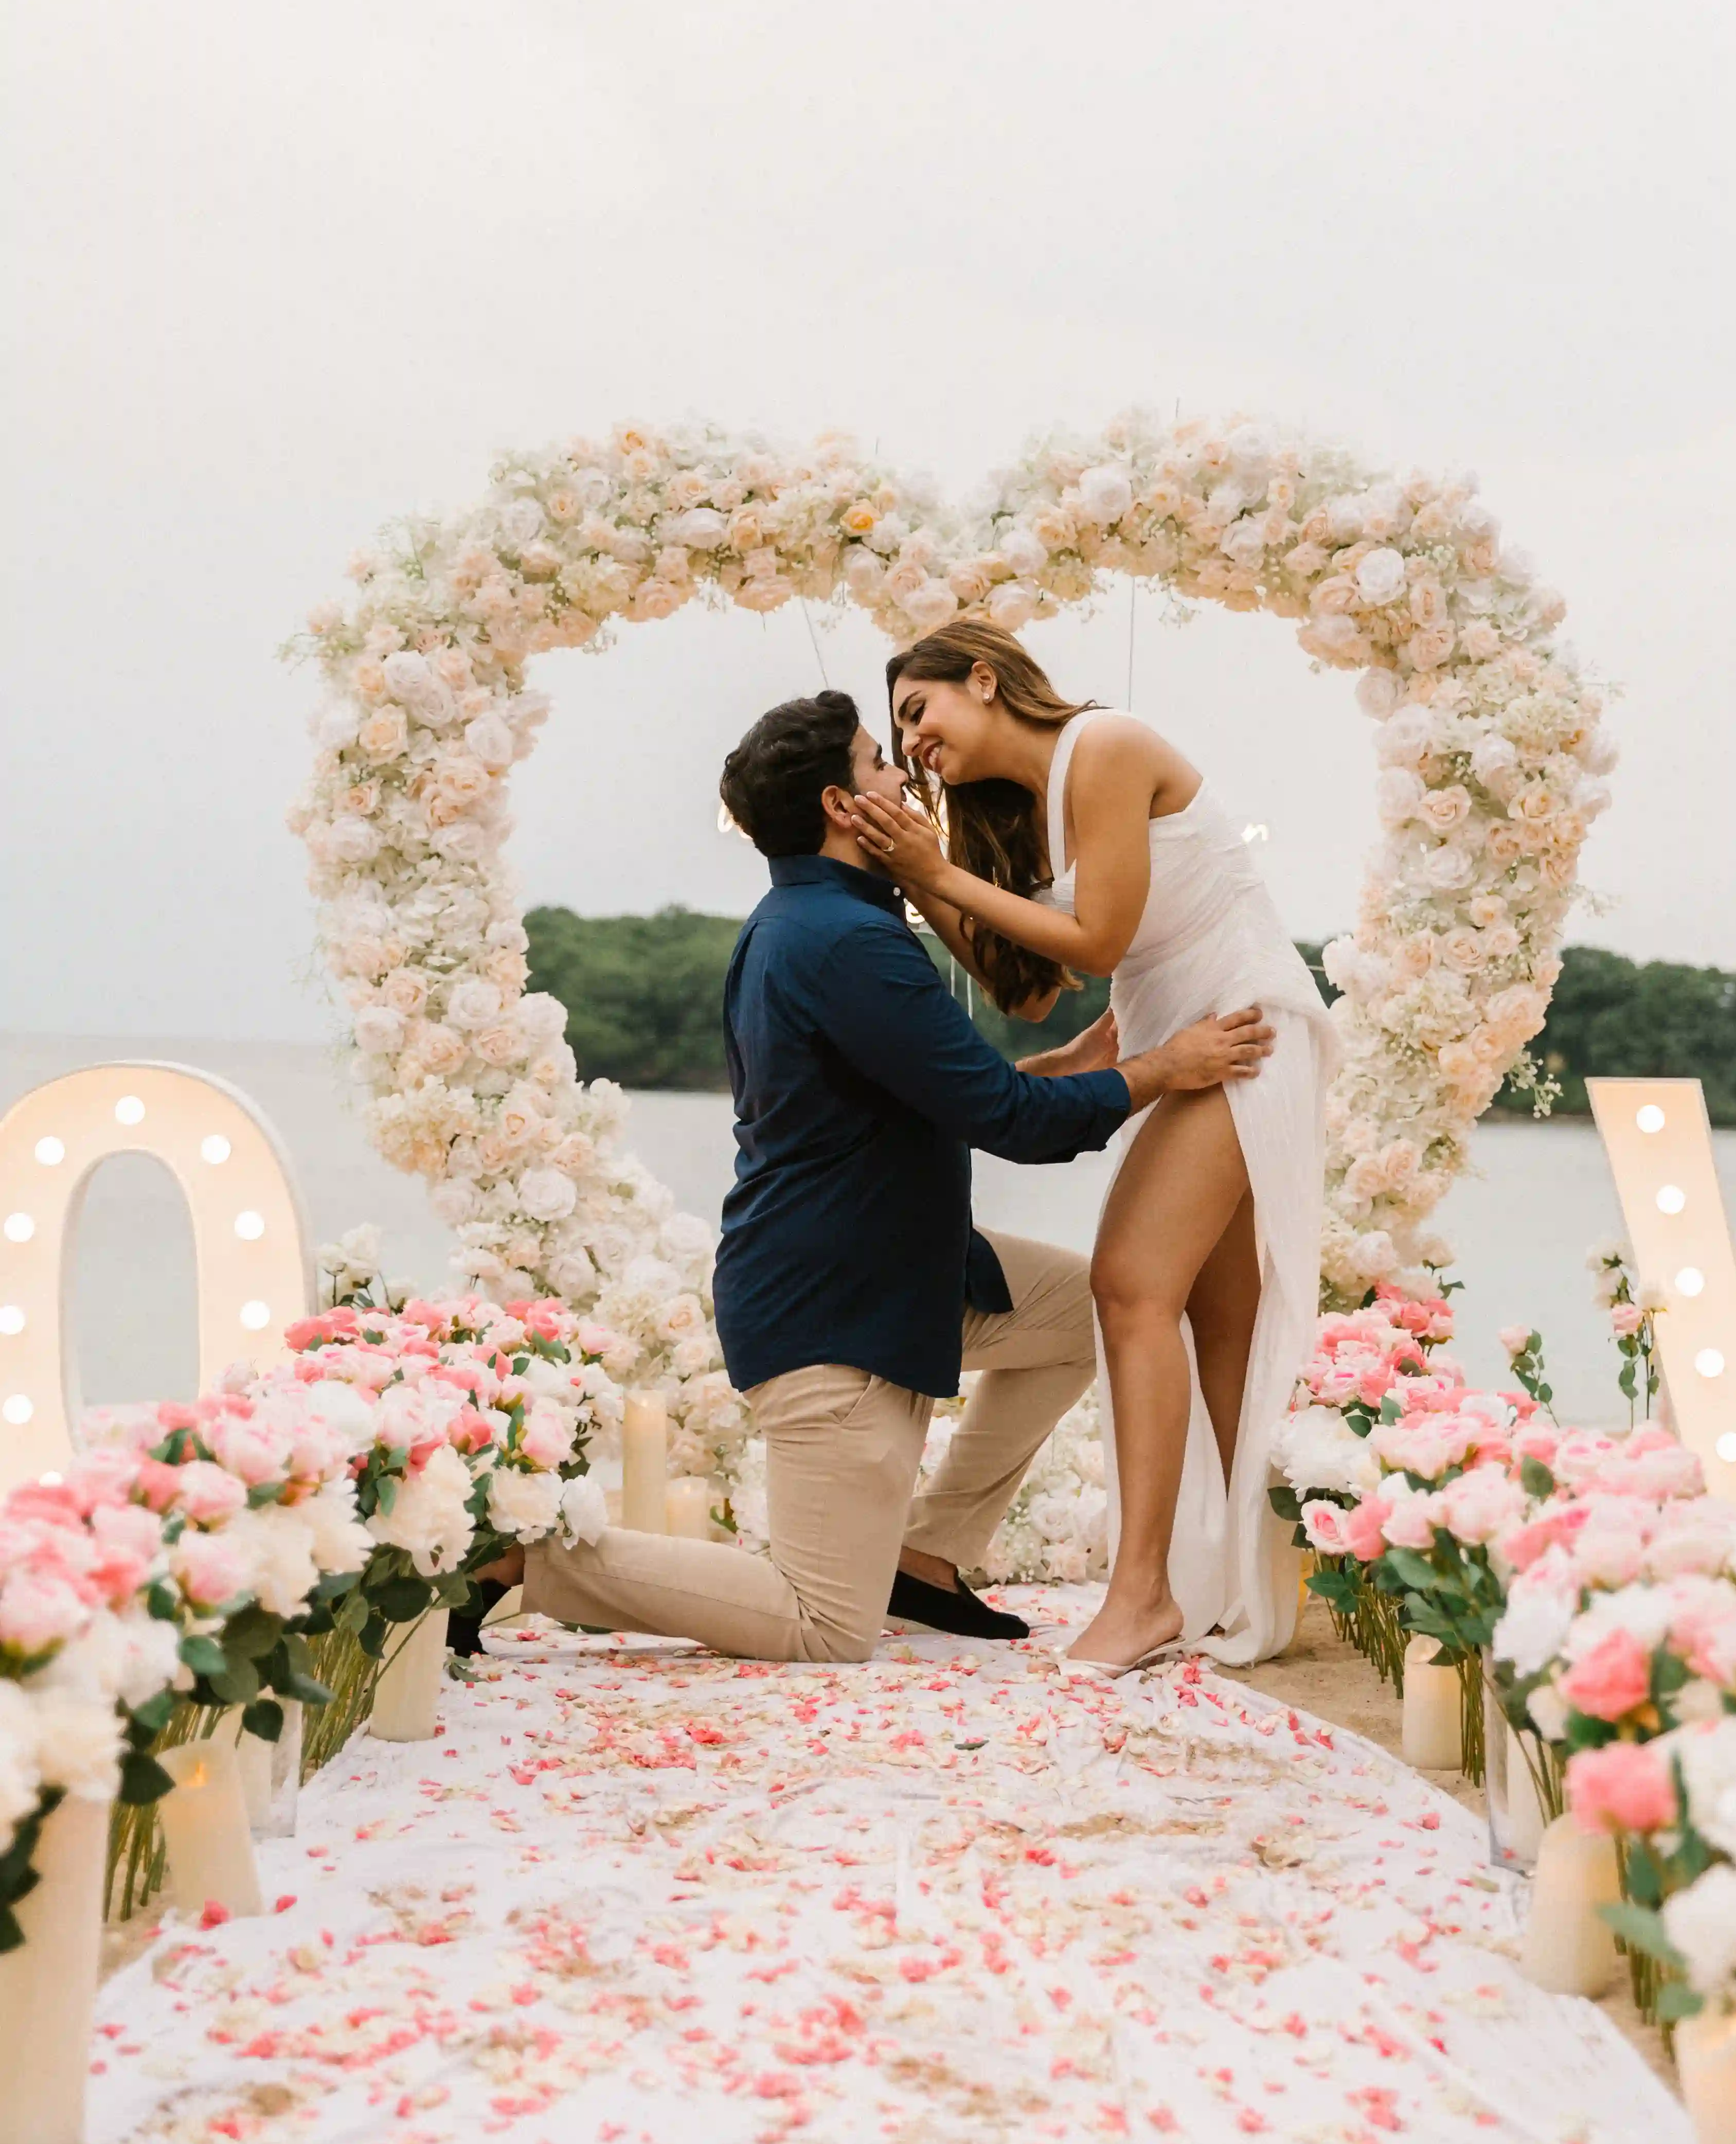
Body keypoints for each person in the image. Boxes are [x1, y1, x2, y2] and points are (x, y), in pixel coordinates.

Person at [474, 688, 1274, 1666]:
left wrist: (1085, 1062)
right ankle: (530, 1565)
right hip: (835, 1310)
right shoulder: (844, 943)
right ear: (842, 810)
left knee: (1081, 1318)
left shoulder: (813, 920)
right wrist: (1164, 1070)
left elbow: (957, 1094)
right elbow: (1011, 1127)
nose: (903, 772)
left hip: (912, 1272)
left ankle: (928, 1555)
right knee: (823, 1624)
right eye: (875, 763)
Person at [854, 618, 1335, 1673]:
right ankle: (1238, 1586)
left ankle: (1143, 1595)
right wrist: (936, 879)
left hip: (1240, 1032)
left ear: (982, 678)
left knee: (1126, 1286)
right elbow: (1035, 988)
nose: (915, 742)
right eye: (898, 734)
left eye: (918, 712)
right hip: (1186, 1043)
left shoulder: (1105, 748)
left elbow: (1102, 940)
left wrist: (937, 870)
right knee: (1217, 1325)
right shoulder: (1022, 814)